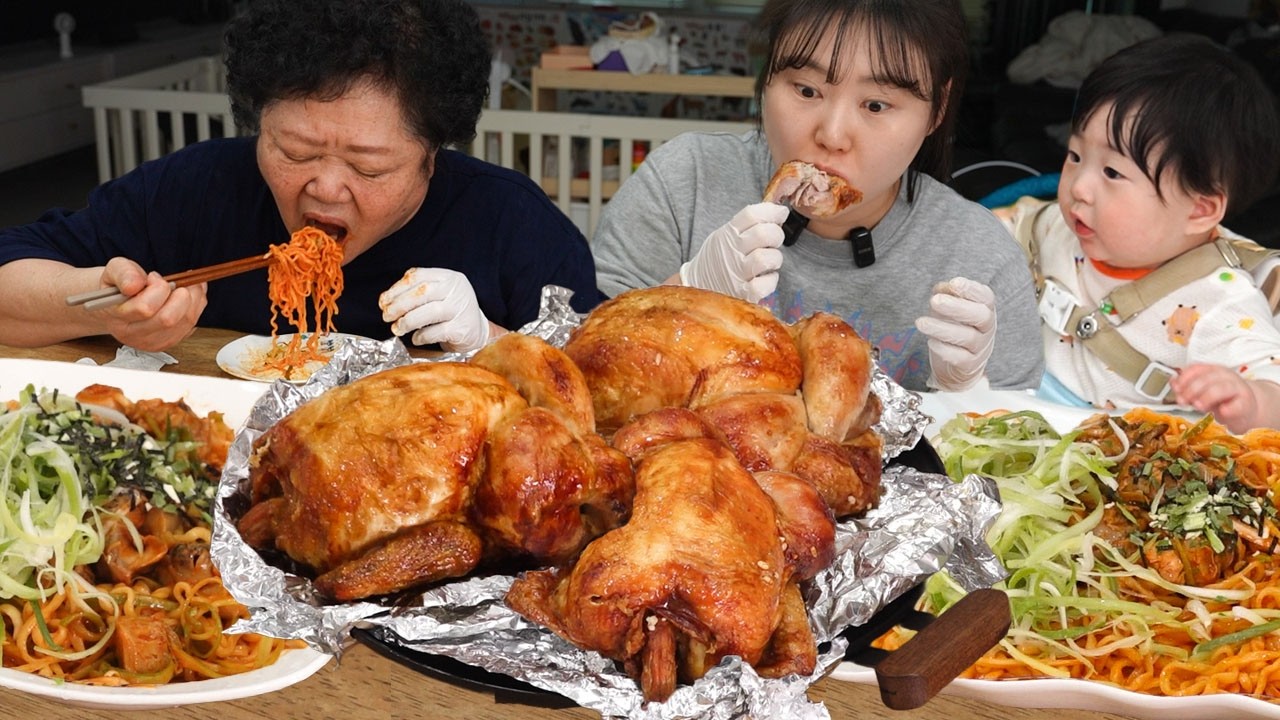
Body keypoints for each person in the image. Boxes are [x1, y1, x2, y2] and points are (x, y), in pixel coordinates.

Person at [0, 0, 603, 354]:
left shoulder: (509, 223)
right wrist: (101, 309)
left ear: (432, 153)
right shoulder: (196, 188)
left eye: (370, 167)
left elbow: (606, 384)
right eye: (294, 151)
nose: (325, 189)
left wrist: (492, 341)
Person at [589, 0, 1043, 393]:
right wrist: (684, 293)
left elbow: (1017, 459)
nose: (832, 135)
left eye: (876, 105)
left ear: (937, 111)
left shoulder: (982, 257)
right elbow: (579, 373)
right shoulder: (682, 184)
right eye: (807, 90)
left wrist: (967, 395)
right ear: (766, 78)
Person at [996, 34, 1280, 432]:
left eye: (1112, 172)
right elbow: (982, 235)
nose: (1079, 187)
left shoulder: (1219, 301)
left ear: (1199, 210)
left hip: (1118, 461)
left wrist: (1249, 401)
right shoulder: (1054, 227)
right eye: (1076, 156)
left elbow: (1273, 387)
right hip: (1013, 411)